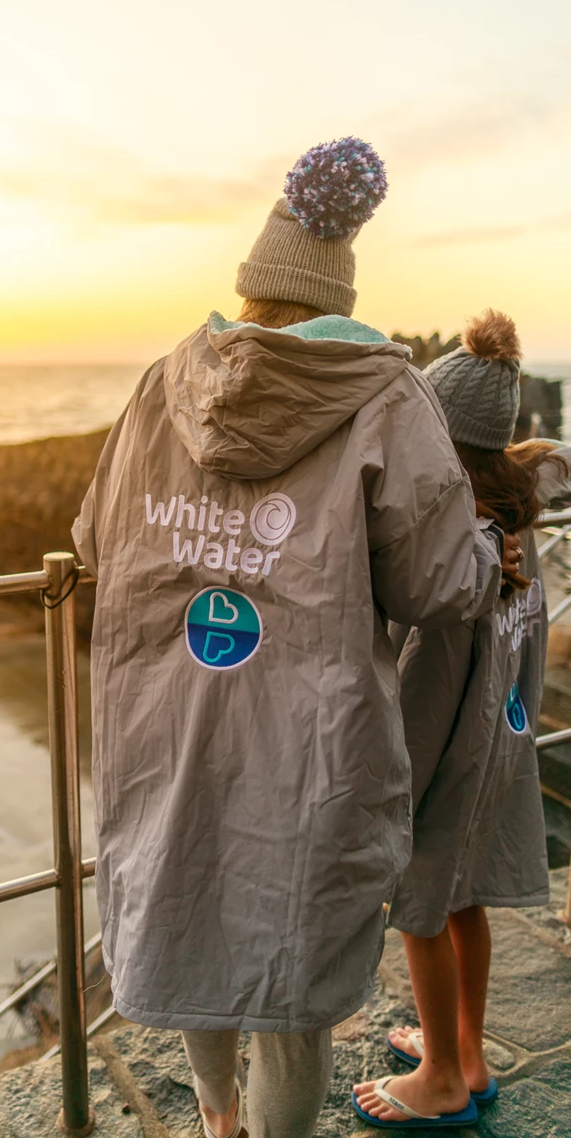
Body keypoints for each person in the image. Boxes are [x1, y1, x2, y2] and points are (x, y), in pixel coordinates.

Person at [73, 139, 511, 1138]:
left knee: (188, 917)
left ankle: (216, 1123)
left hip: (170, 725)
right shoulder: (383, 398)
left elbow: (96, 533)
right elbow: (440, 583)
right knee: (286, 981)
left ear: (249, 286)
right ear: (338, 295)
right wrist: (491, 549)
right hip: (305, 745)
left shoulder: (157, 387)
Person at [353, 310, 571, 1130]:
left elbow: (424, 676)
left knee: (420, 906)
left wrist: (385, 772)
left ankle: (443, 1076)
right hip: (498, 744)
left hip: (441, 755)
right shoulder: (512, 520)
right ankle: (465, 1050)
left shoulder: (460, 550)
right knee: (462, 903)